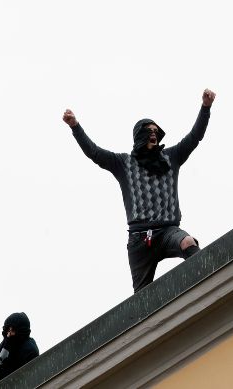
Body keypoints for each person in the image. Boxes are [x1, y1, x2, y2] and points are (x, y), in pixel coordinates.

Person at [62, 89, 215, 292]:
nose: (153, 134)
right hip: (140, 239)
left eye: (155, 131)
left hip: (169, 230)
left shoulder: (171, 157)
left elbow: (194, 137)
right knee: (141, 298)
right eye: (148, 131)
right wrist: (75, 126)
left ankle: (209, 285)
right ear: (139, 137)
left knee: (187, 241)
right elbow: (94, 152)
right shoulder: (123, 163)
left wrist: (205, 107)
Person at [0, 312, 39, 388]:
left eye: (12, 330)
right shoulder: (4, 344)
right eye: (7, 330)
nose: (9, 334)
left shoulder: (30, 350)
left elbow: (26, 380)